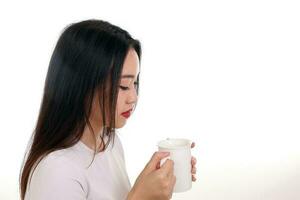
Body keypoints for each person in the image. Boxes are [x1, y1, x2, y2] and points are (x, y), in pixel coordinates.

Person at [19, 19, 197, 200]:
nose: (133, 97)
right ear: (82, 85)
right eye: (123, 85)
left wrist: (157, 186)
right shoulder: (57, 171)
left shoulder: (110, 143)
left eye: (135, 82)